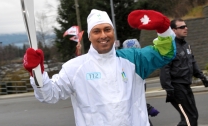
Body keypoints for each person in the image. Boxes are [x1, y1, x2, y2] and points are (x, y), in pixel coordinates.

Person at [23, 9, 176, 126]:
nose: (103, 35)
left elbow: (164, 53)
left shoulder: (133, 59)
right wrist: (37, 73)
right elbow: (49, 95)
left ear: (113, 32)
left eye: (107, 29)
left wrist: (164, 29)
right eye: (97, 31)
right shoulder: (75, 68)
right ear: (89, 36)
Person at [160, 18, 208, 126]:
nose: (186, 28)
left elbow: (192, 62)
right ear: (173, 30)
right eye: (181, 27)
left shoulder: (186, 45)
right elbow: (164, 69)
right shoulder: (169, 47)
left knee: (193, 116)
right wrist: (169, 89)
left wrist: (202, 77)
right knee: (189, 118)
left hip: (186, 85)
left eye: (185, 26)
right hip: (176, 87)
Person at [123, 39, 159, 126]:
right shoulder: (122, 71)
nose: (133, 55)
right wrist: (148, 108)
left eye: (136, 51)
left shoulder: (140, 69)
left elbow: (138, 98)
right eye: (130, 52)